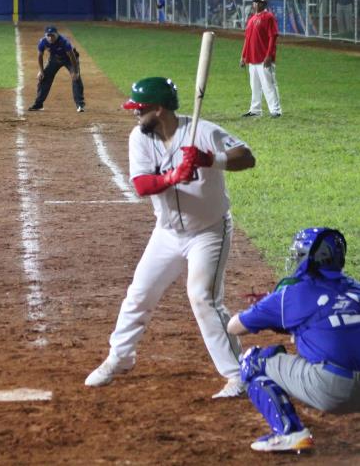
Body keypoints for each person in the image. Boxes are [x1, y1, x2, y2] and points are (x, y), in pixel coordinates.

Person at [85, 77, 256, 398]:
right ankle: (119, 358)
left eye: (141, 110)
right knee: (139, 293)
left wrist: (210, 160)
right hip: (166, 233)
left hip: (208, 232)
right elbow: (141, 185)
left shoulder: (203, 131)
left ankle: (237, 374)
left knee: (203, 297)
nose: (136, 115)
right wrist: (175, 176)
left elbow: (247, 157)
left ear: (159, 109)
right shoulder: (140, 137)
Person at [228, 228, 360, 452]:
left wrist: (275, 314)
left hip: (332, 390)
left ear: (308, 260)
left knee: (253, 360)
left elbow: (234, 327)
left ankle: (289, 433)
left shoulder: (291, 295)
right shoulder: (356, 288)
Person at [240, 0, 282, 118]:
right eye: (255, 2)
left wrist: (269, 55)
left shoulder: (269, 17)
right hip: (252, 58)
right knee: (255, 86)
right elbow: (247, 39)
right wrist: (243, 56)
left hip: (264, 58)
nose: (256, 4)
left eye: (259, 2)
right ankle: (255, 110)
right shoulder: (252, 19)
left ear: (264, 4)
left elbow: (272, 37)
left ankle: (275, 110)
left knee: (269, 85)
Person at [28, 25, 85, 113]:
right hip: (55, 58)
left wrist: (75, 71)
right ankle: (38, 105)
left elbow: (72, 56)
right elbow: (40, 56)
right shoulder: (43, 42)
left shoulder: (64, 42)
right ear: (45, 35)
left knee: (76, 79)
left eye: (52, 35)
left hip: (69, 59)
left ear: (57, 34)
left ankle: (80, 105)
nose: (50, 38)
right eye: (48, 35)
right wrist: (41, 71)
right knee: (44, 77)